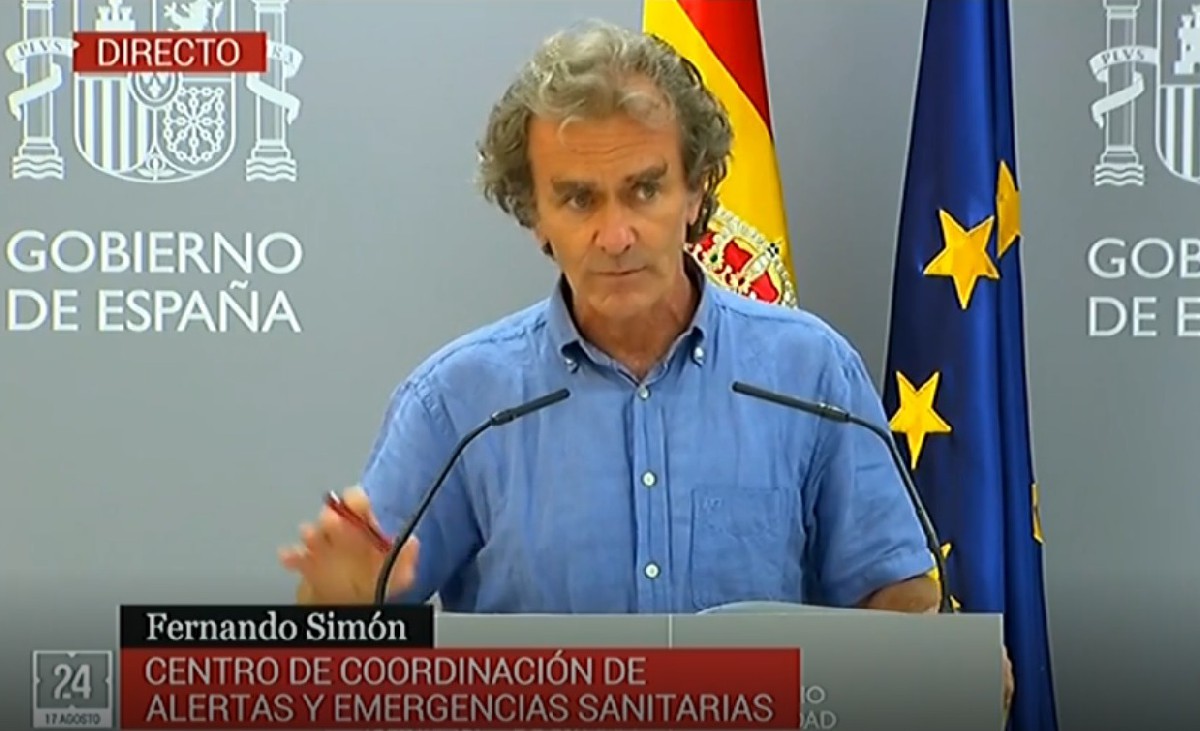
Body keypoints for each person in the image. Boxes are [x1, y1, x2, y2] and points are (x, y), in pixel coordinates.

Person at [279, 18, 1012, 708]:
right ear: (535, 216)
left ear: (696, 193)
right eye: (578, 200)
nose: (616, 235)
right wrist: (338, 606)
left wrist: (938, 661)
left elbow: (895, 597)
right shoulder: (460, 402)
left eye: (645, 189)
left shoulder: (809, 373)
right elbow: (336, 655)